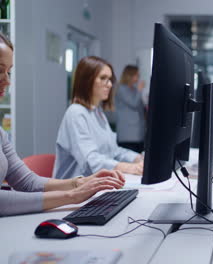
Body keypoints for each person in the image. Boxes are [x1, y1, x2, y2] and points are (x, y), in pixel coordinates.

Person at [0, 33, 125, 216]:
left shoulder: (1, 133)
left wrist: (79, 183)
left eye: (9, 71)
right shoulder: (76, 113)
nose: (8, 81)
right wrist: (72, 195)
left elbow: (27, 182)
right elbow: (92, 160)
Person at [54, 56, 144, 179]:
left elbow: (114, 152)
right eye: (103, 78)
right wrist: (130, 168)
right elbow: (91, 162)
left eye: (110, 79)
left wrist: (139, 158)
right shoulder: (76, 113)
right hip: (74, 191)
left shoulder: (98, 113)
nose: (110, 84)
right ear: (87, 80)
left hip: (96, 185)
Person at [115, 65, 146, 153]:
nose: (138, 77)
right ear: (130, 75)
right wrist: (140, 90)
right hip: (127, 135)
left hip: (138, 134)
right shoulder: (121, 89)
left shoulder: (134, 89)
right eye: (137, 75)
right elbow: (134, 103)